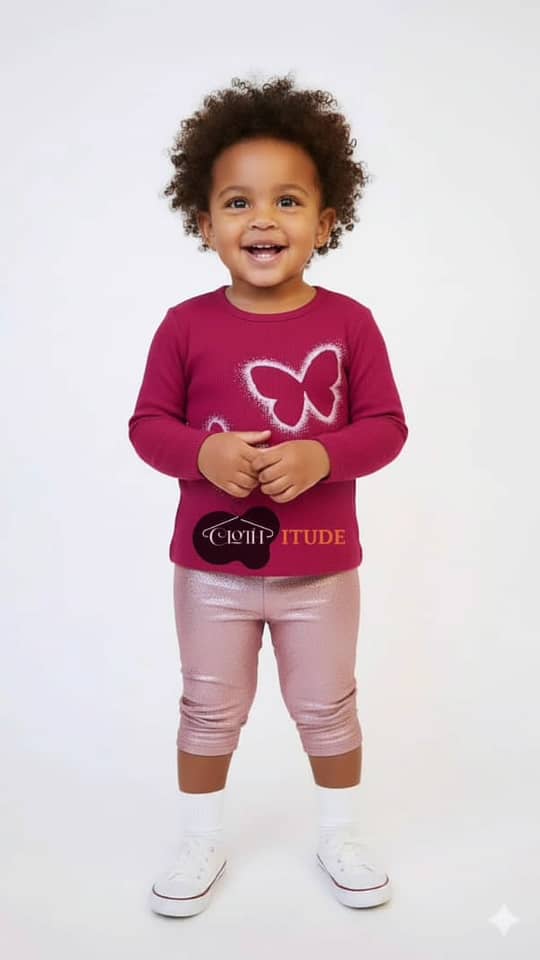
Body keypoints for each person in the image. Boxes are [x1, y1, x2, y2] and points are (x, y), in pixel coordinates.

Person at [128, 72, 408, 917]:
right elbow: (147, 426)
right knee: (208, 707)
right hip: (211, 570)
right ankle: (200, 837)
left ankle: (339, 833)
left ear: (325, 223)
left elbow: (386, 427)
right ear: (204, 222)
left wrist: (322, 456)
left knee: (328, 705)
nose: (262, 220)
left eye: (288, 201)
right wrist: (201, 452)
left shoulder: (350, 322)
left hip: (320, 567)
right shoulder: (184, 324)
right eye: (238, 202)